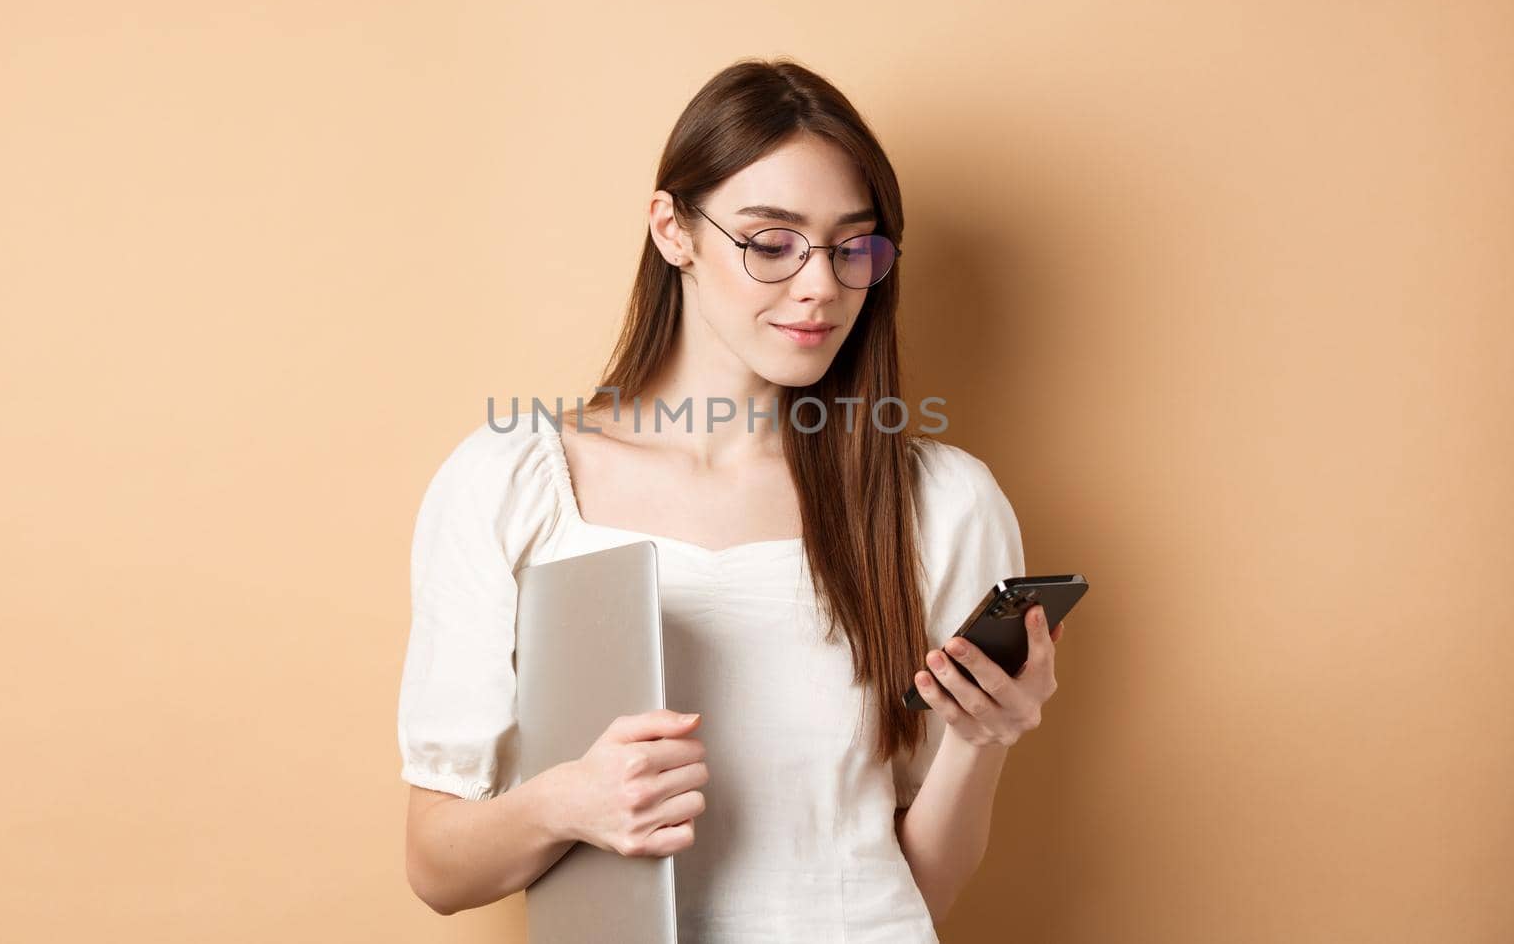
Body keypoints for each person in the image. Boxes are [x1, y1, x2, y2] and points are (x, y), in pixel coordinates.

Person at [398, 57, 1066, 940]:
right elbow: (438, 868)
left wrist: (983, 739)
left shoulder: (942, 504)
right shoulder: (511, 480)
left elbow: (918, 892)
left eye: (852, 246)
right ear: (673, 230)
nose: (822, 284)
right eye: (771, 241)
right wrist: (568, 803)